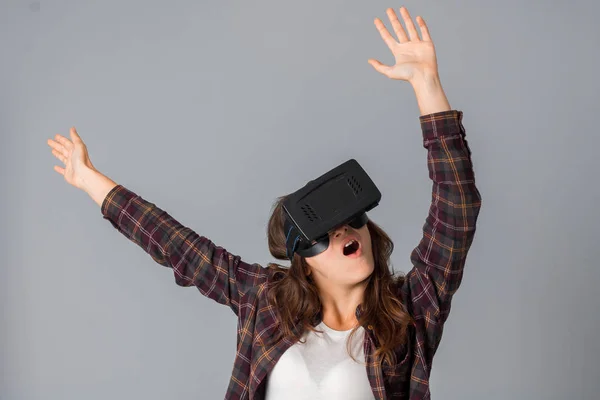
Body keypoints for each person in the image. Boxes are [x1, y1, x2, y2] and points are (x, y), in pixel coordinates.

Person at [47, 6, 481, 400]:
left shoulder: (409, 311)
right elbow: (177, 246)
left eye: (352, 220)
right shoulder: (265, 303)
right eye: (326, 233)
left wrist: (427, 87)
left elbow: (456, 211)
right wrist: (89, 181)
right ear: (303, 259)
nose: (345, 232)